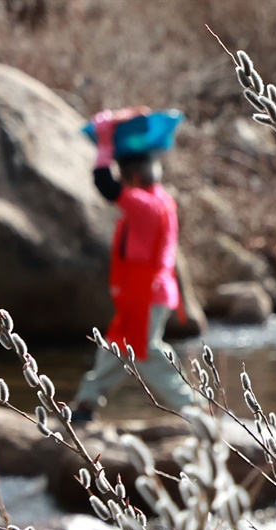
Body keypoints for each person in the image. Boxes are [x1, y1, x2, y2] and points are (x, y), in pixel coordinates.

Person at [71, 109, 195, 422]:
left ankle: (193, 408)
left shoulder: (146, 204)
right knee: (115, 347)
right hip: (142, 292)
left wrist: (104, 143)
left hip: (148, 293)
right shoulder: (160, 200)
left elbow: (103, 183)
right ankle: (86, 405)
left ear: (134, 177)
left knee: (146, 350)